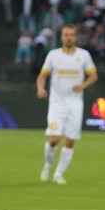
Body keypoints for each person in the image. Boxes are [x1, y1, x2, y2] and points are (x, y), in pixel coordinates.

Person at [36, 24, 98, 185]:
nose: (68, 37)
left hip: (75, 103)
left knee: (70, 141)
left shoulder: (83, 55)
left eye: (71, 34)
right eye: (65, 35)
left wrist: (82, 86)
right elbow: (42, 76)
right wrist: (41, 88)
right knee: (54, 139)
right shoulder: (53, 55)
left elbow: (93, 76)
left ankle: (58, 174)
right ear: (61, 37)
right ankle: (48, 163)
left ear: (75, 37)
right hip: (57, 104)